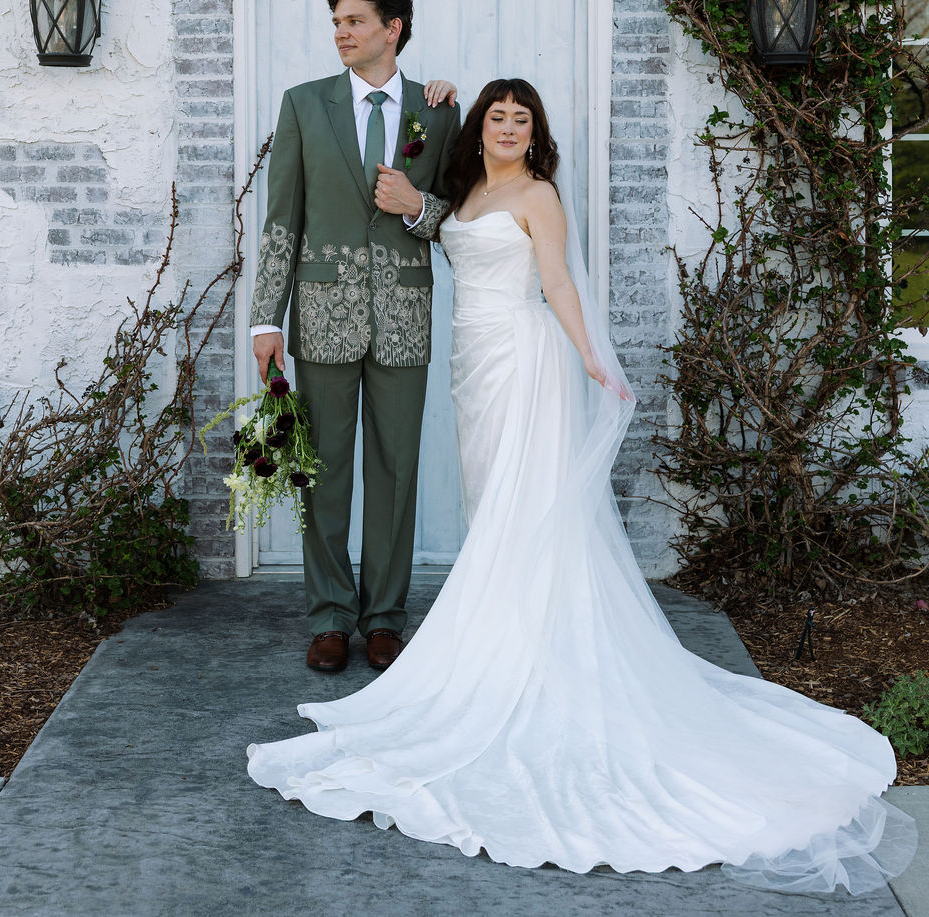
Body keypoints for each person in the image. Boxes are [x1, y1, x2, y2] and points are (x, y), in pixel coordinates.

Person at [247, 77, 917, 894]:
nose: (504, 127)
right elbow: (426, 221)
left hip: (526, 363)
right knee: (495, 505)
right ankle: (504, 639)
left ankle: (524, 657)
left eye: (519, 118)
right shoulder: (460, 191)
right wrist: (434, 97)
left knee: (525, 514)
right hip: (472, 369)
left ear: (535, 133)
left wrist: (594, 356)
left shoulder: (539, 194)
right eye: (495, 116)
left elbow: (558, 282)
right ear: (479, 127)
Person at [250, 0, 460, 675]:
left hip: (403, 314)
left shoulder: (439, 112)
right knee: (324, 467)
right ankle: (331, 615)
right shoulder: (305, 105)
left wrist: (414, 205)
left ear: (393, 28)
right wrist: (263, 320)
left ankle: (384, 618)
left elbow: (457, 219)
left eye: (356, 21)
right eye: (337, 22)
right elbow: (282, 218)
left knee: (396, 469)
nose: (341, 32)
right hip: (320, 316)